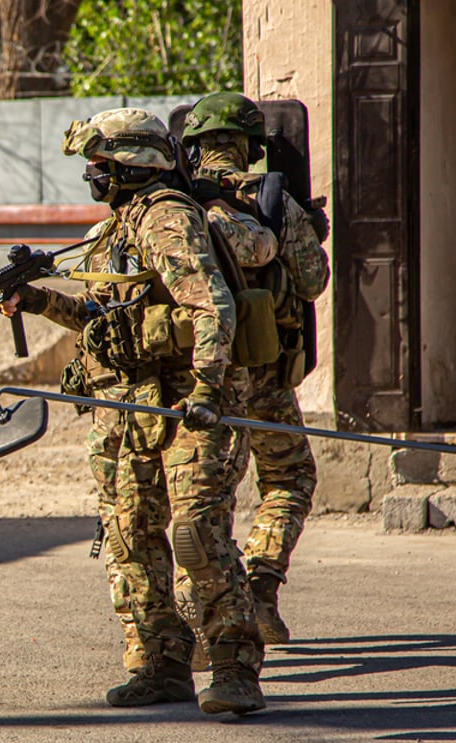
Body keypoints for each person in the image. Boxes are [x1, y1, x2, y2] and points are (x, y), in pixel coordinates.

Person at [1, 107, 265, 715]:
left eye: (99, 165)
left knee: (197, 533)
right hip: (126, 412)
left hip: (185, 406)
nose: (91, 175)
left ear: (130, 163)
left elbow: (211, 307)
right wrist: (38, 300)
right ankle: (159, 664)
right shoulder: (114, 230)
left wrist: (206, 389)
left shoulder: (166, 219)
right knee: (130, 537)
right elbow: (103, 320)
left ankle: (234, 666)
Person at [176, 91, 331, 649]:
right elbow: (313, 283)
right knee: (289, 479)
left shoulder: (173, 206)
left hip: (201, 379)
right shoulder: (270, 198)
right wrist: (310, 229)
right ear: (249, 146)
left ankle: (201, 619)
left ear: (192, 147)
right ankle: (261, 587)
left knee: (201, 499)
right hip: (265, 372)